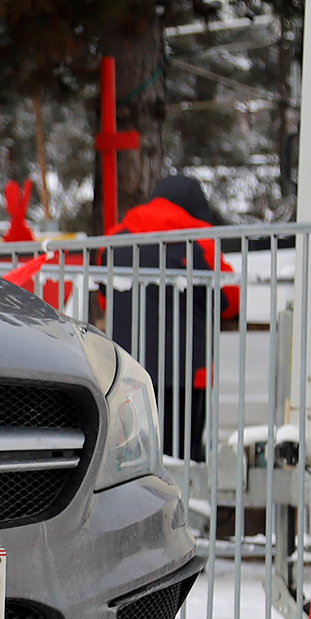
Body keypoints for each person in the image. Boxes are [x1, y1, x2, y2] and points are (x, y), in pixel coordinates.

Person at [101, 175, 238, 463]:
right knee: (181, 460)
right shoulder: (201, 243)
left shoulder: (112, 241)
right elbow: (229, 303)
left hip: (127, 371)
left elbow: (106, 298)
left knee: (130, 459)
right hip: (185, 374)